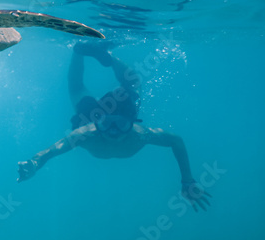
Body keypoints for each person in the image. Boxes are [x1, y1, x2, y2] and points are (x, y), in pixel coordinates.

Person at [17, 42, 211, 211]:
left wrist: (188, 180)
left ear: (133, 123)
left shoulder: (139, 135)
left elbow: (176, 141)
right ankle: (100, 56)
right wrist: (35, 163)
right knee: (131, 84)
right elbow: (53, 150)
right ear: (98, 122)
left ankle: (83, 52)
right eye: (108, 125)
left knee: (91, 88)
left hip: (112, 112)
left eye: (121, 125)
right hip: (100, 114)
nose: (114, 131)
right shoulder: (87, 133)